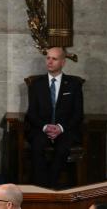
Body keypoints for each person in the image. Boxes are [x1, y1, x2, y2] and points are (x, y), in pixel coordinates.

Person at [25, 46, 84, 188]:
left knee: (62, 148)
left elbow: (78, 114)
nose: (49, 62)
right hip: (41, 129)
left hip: (65, 130)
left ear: (63, 62)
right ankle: (41, 187)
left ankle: (51, 186)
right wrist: (46, 127)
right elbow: (31, 113)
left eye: (54, 59)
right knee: (37, 145)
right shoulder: (36, 84)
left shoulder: (74, 84)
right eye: (48, 58)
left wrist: (60, 128)